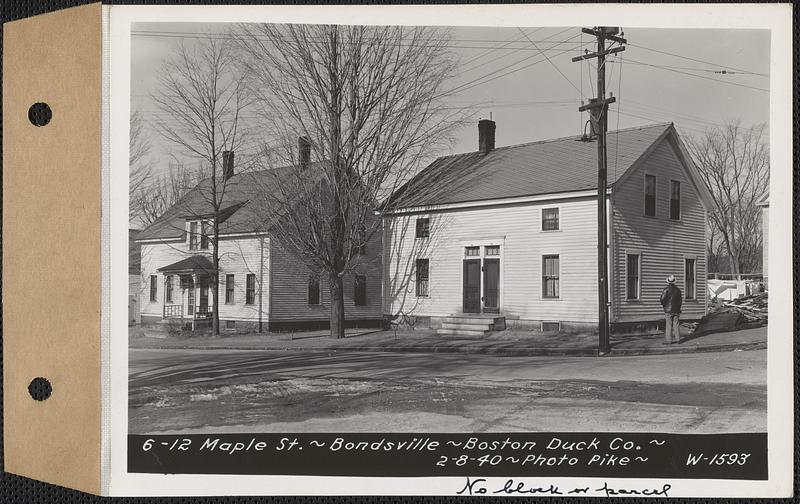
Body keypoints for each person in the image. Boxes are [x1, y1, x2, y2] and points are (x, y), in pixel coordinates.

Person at [660, 275, 683, 345]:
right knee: (676, 324)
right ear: (674, 281)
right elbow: (680, 301)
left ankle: (669, 340)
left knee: (669, 325)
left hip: (668, 310)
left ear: (668, 282)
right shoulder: (678, 290)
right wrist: (678, 307)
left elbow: (662, 299)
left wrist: (665, 306)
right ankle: (678, 339)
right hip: (677, 310)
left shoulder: (666, 289)